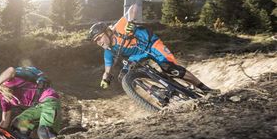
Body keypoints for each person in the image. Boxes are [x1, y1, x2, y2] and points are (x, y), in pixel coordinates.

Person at [88, 14, 216, 93]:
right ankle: (157, 92)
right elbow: (107, 70)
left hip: (151, 44)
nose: (98, 42)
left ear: (107, 32)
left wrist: (131, 22)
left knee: (170, 69)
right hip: (137, 56)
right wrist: (105, 79)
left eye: (99, 38)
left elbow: (133, 7)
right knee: (124, 76)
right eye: (95, 41)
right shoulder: (108, 51)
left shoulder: (118, 28)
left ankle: (204, 88)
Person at [0, 63, 61, 139]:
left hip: (49, 100)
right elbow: (5, 121)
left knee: (44, 132)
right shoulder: (3, 97)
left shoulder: (9, 80)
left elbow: (11, 70)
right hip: (39, 107)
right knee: (18, 124)